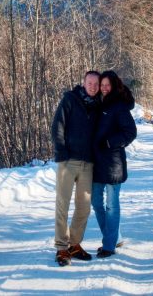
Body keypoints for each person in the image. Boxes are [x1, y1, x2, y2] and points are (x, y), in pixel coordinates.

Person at [51, 70, 101, 266]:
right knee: (62, 204)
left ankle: (74, 244)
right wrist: (61, 152)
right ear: (83, 83)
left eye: (96, 84)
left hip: (88, 163)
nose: (93, 87)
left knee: (84, 207)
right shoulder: (70, 99)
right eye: (90, 83)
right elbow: (57, 126)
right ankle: (61, 248)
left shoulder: (99, 105)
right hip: (68, 161)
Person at [91, 70, 138, 258]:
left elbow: (130, 132)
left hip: (112, 163)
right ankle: (112, 237)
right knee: (95, 201)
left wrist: (110, 142)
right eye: (102, 85)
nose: (104, 88)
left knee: (111, 205)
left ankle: (109, 245)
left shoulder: (119, 106)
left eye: (107, 85)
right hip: (96, 162)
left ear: (114, 85)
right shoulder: (96, 104)